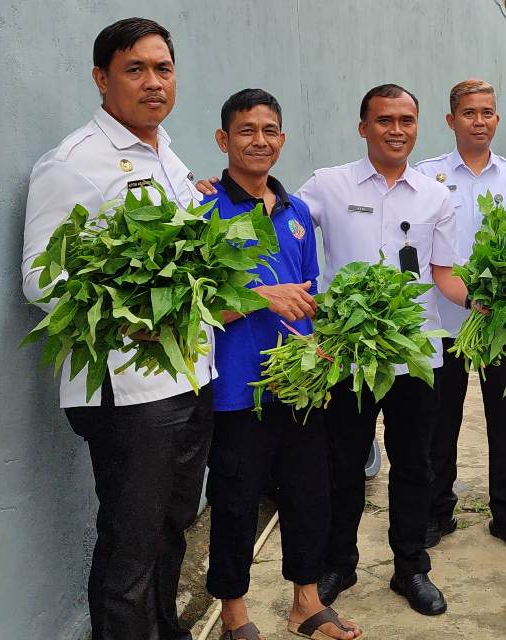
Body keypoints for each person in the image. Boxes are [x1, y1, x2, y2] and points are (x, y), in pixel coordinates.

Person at [21, 18, 213, 640]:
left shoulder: (166, 153)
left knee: (174, 525)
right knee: (131, 543)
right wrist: (131, 314)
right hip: (127, 390)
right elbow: (39, 279)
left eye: (163, 68)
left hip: (189, 376)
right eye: (135, 69)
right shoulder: (73, 163)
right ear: (102, 79)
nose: (154, 82)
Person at [297, 84, 469, 616]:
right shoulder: (328, 184)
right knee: (342, 463)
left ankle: (410, 567)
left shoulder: (435, 196)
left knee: (414, 465)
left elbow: (443, 274)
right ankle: (339, 563)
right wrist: (218, 190)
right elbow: (281, 221)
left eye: (406, 120)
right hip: (347, 353)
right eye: (384, 120)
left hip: (413, 354)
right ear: (363, 127)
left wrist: (485, 300)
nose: (397, 130)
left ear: (417, 126)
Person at [202, 89, 360, 640]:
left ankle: (306, 604)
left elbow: (309, 292)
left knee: (309, 492)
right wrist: (259, 298)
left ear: (283, 139)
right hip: (236, 386)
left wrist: (322, 344)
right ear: (223, 139)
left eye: (269, 130)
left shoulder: (296, 213)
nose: (260, 140)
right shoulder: (204, 211)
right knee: (236, 500)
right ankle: (234, 614)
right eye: (246, 130)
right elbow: (196, 305)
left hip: (299, 383)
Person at [417, 79, 506, 554]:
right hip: (443, 321)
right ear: (451, 120)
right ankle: (436, 511)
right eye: (469, 113)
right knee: (438, 423)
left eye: (487, 112)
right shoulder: (427, 176)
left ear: (497, 119)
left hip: (503, 324)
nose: (479, 121)